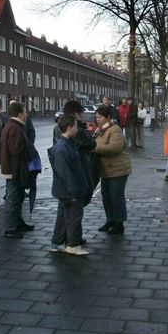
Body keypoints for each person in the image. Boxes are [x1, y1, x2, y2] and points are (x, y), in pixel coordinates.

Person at [50, 115, 91, 256]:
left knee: (64, 216)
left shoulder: (67, 144)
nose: (77, 129)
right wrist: (74, 192)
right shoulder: (62, 147)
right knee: (74, 217)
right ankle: (73, 245)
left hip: (68, 190)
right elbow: (65, 173)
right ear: (68, 128)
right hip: (70, 191)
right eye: (75, 126)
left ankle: (57, 242)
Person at [94, 104, 132, 235]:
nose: (97, 119)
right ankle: (110, 220)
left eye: (100, 117)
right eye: (96, 117)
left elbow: (114, 148)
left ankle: (119, 223)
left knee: (116, 197)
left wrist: (94, 147)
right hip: (106, 170)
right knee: (106, 196)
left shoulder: (115, 130)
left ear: (108, 117)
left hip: (118, 170)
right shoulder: (100, 130)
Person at [0, 101, 36, 238]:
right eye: (25, 112)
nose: (26, 114)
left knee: (19, 197)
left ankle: (18, 222)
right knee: (13, 198)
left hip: (14, 169)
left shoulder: (12, 126)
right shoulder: (15, 129)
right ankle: (10, 228)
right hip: (15, 171)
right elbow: (16, 151)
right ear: (20, 114)